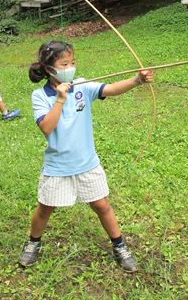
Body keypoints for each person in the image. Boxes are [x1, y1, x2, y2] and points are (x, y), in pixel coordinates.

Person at [18, 40, 153, 273]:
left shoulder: (82, 85)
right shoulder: (40, 96)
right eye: (64, 63)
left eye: (72, 62)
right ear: (50, 69)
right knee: (45, 208)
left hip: (86, 162)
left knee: (102, 205)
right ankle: (33, 243)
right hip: (57, 165)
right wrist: (60, 99)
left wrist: (136, 80)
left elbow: (109, 89)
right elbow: (47, 128)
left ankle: (119, 246)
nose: (71, 67)